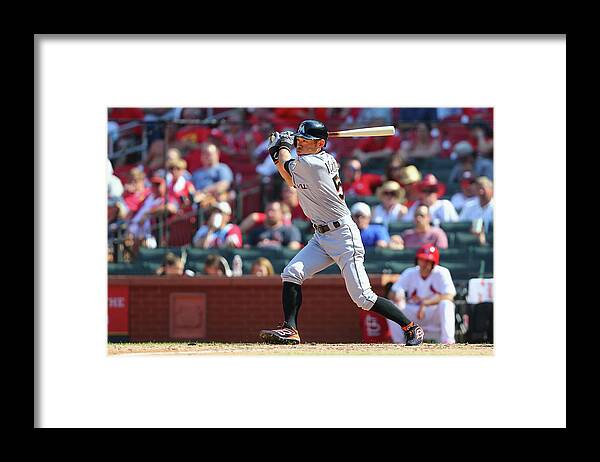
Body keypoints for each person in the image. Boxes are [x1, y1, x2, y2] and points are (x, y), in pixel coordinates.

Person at [258, 119, 424, 346]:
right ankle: (291, 329)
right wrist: (279, 150)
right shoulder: (314, 160)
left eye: (305, 141)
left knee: (363, 298)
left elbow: (287, 167)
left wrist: (281, 148)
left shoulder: (313, 163)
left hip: (343, 235)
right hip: (321, 235)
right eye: (299, 140)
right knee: (291, 273)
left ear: (320, 144)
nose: (300, 144)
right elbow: (290, 179)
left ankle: (410, 327)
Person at [388, 244, 456, 344]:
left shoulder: (442, 272)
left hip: (433, 312)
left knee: (447, 304)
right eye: (422, 259)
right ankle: (399, 342)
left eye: (428, 261)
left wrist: (425, 303)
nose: (425, 263)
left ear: (434, 263)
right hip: (414, 312)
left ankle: (448, 341)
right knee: (392, 306)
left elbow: (449, 296)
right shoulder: (410, 272)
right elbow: (392, 293)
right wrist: (398, 295)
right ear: (417, 260)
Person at [191, 142, 234, 207]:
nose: (206, 156)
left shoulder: (222, 168)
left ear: (217, 154)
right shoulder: (196, 173)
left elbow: (224, 185)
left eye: (209, 154)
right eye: (204, 153)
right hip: (197, 204)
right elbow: (190, 188)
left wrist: (204, 192)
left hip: (216, 202)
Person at [459, 176, 494, 244]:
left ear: (491, 190)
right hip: (470, 241)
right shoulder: (469, 206)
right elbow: (460, 225)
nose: (481, 192)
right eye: (478, 189)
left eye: (483, 189)